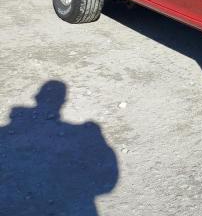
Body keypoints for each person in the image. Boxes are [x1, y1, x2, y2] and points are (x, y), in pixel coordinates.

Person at [0, 80, 118, 215]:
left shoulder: (5, 135)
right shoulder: (83, 133)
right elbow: (107, 183)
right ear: (63, 102)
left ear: (37, 97)